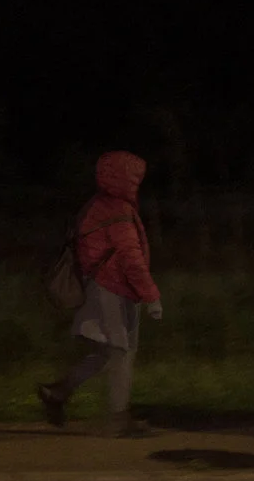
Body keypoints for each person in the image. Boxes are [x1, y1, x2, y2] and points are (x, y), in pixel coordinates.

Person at [38, 150, 164, 438]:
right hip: (112, 290)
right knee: (120, 352)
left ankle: (56, 392)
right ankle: (119, 419)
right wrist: (151, 295)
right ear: (124, 179)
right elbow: (130, 258)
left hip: (102, 287)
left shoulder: (98, 205)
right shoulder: (117, 211)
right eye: (135, 178)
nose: (138, 183)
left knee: (106, 352)